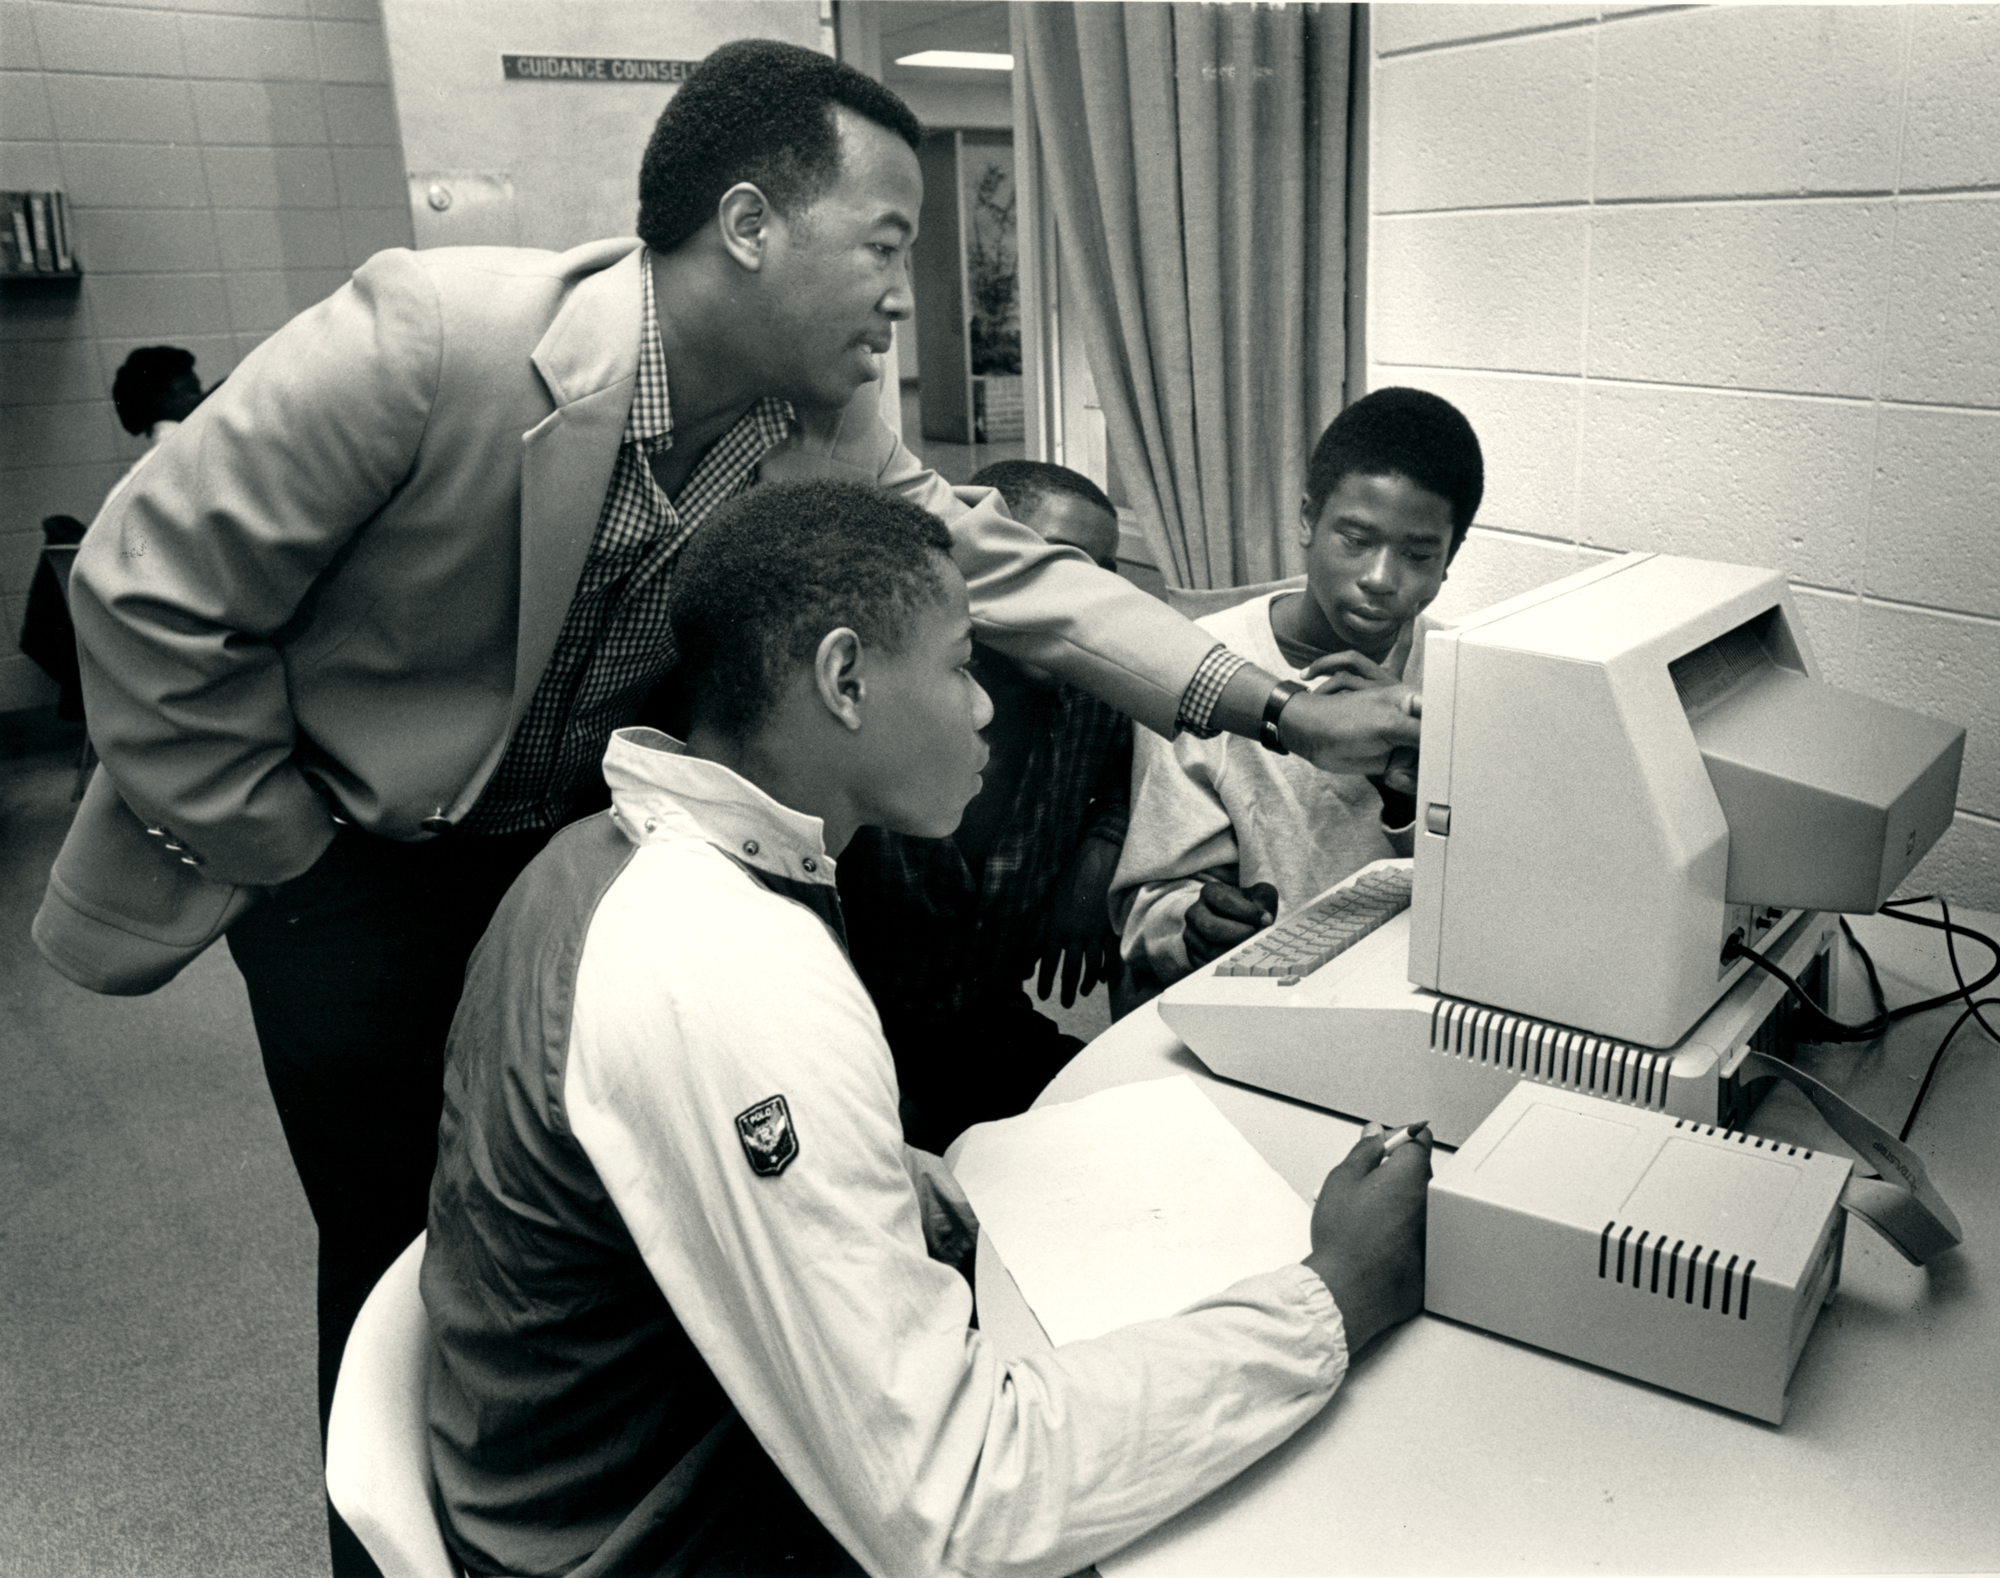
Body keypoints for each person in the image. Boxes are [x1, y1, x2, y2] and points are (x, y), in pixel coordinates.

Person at [46, 40, 1421, 1571]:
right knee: (406, 1261)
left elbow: (1008, 575)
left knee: (583, 1242)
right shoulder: (427, 340)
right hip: (341, 864)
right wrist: (293, 857)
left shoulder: (812, 420)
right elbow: (141, 588)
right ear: (752, 224)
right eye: (885, 243)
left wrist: (1277, 702)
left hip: (568, 854)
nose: (906, 292)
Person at [422, 479, 1434, 1578]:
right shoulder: (730, 963)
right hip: (661, 1538)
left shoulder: (604, 859)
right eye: (960, 665)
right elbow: (952, 1511)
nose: (988, 703)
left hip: (581, 1465)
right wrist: (1326, 1301)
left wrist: (879, 1164)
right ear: (844, 680)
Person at [1112, 387, 1484, 999]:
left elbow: (1491, 896)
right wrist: (1195, 925)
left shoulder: (1461, 676)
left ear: (1450, 558)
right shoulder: (1203, 665)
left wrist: (1411, 792)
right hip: (1257, 1004)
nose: (1380, 579)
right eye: (1356, 540)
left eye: (1419, 553)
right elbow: (1149, 909)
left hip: (1411, 997)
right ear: (1308, 519)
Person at [838, 459, 1130, 1150]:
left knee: (1129, 1132)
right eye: (1051, 569)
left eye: (1101, 576)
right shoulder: (869, 699)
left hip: (988, 1027)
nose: (1074, 598)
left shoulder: (1096, 699)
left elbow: (1126, 783)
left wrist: (1102, 850)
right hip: (857, 1050)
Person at [103, 345, 205, 508]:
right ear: (160, 399)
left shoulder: (146, 470)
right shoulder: (186, 457)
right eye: (193, 390)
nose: (204, 398)